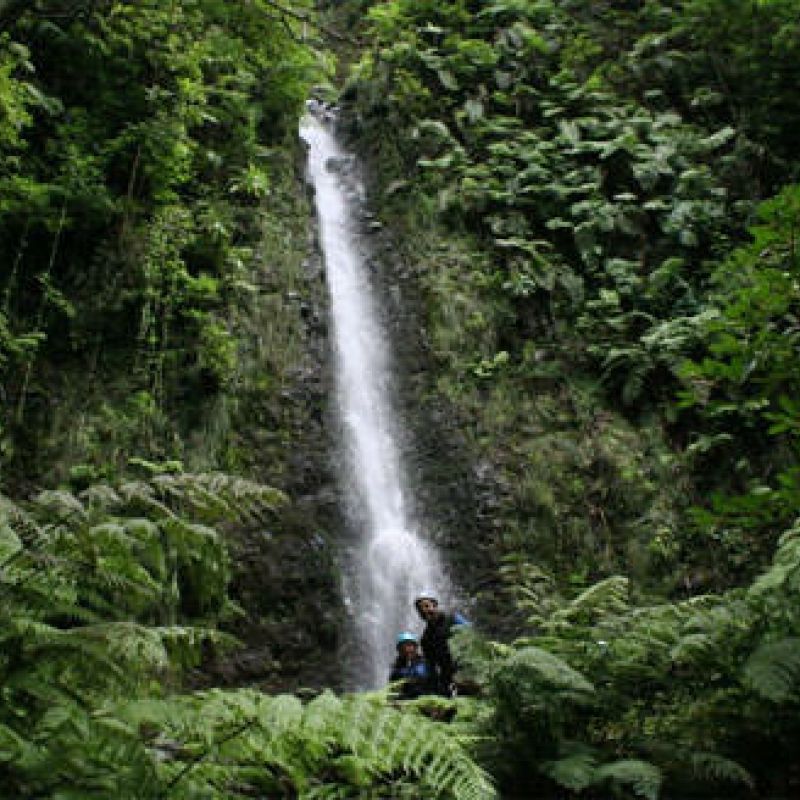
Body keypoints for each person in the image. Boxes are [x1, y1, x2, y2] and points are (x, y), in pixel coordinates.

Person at [414, 590, 469, 697]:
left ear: (435, 605)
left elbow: (471, 636)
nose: (423, 610)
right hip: (447, 677)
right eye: (420, 609)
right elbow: (430, 666)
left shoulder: (453, 619)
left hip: (466, 670)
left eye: (426, 606)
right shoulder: (425, 638)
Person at [389, 631, 432, 700]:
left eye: (409, 645)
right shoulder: (397, 669)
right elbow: (392, 690)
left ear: (415, 647)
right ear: (399, 650)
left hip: (425, 701)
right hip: (404, 703)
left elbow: (434, 684)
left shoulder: (425, 664)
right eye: (403, 647)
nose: (407, 650)